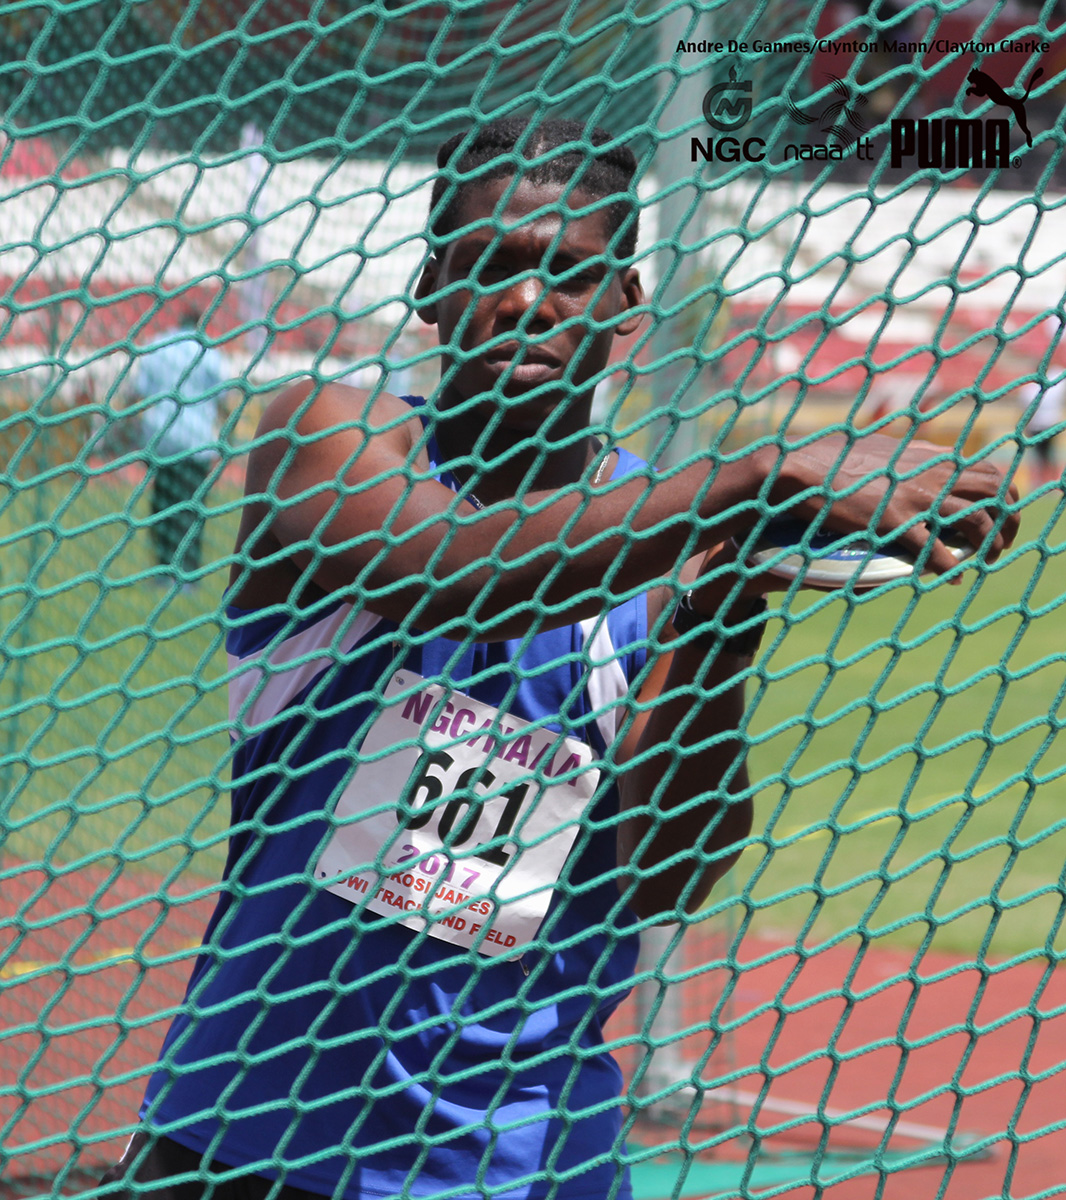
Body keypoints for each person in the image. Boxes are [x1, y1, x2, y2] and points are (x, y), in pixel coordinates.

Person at [100, 118, 1017, 1200]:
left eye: (570, 273)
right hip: (254, 1143)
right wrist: (756, 475)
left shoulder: (666, 553)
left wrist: (719, 611)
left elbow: (667, 869)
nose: (528, 301)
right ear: (430, 284)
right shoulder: (330, 434)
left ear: (626, 302)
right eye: (490, 263)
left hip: (531, 1164)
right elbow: (460, 571)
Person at [133, 306, 230, 581]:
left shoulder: (158, 346)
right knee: (192, 505)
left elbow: (139, 391)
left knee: (163, 503)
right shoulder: (208, 351)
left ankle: (163, 569)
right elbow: (223, 397)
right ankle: (187, 571)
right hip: (196, 439)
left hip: (161, 436)